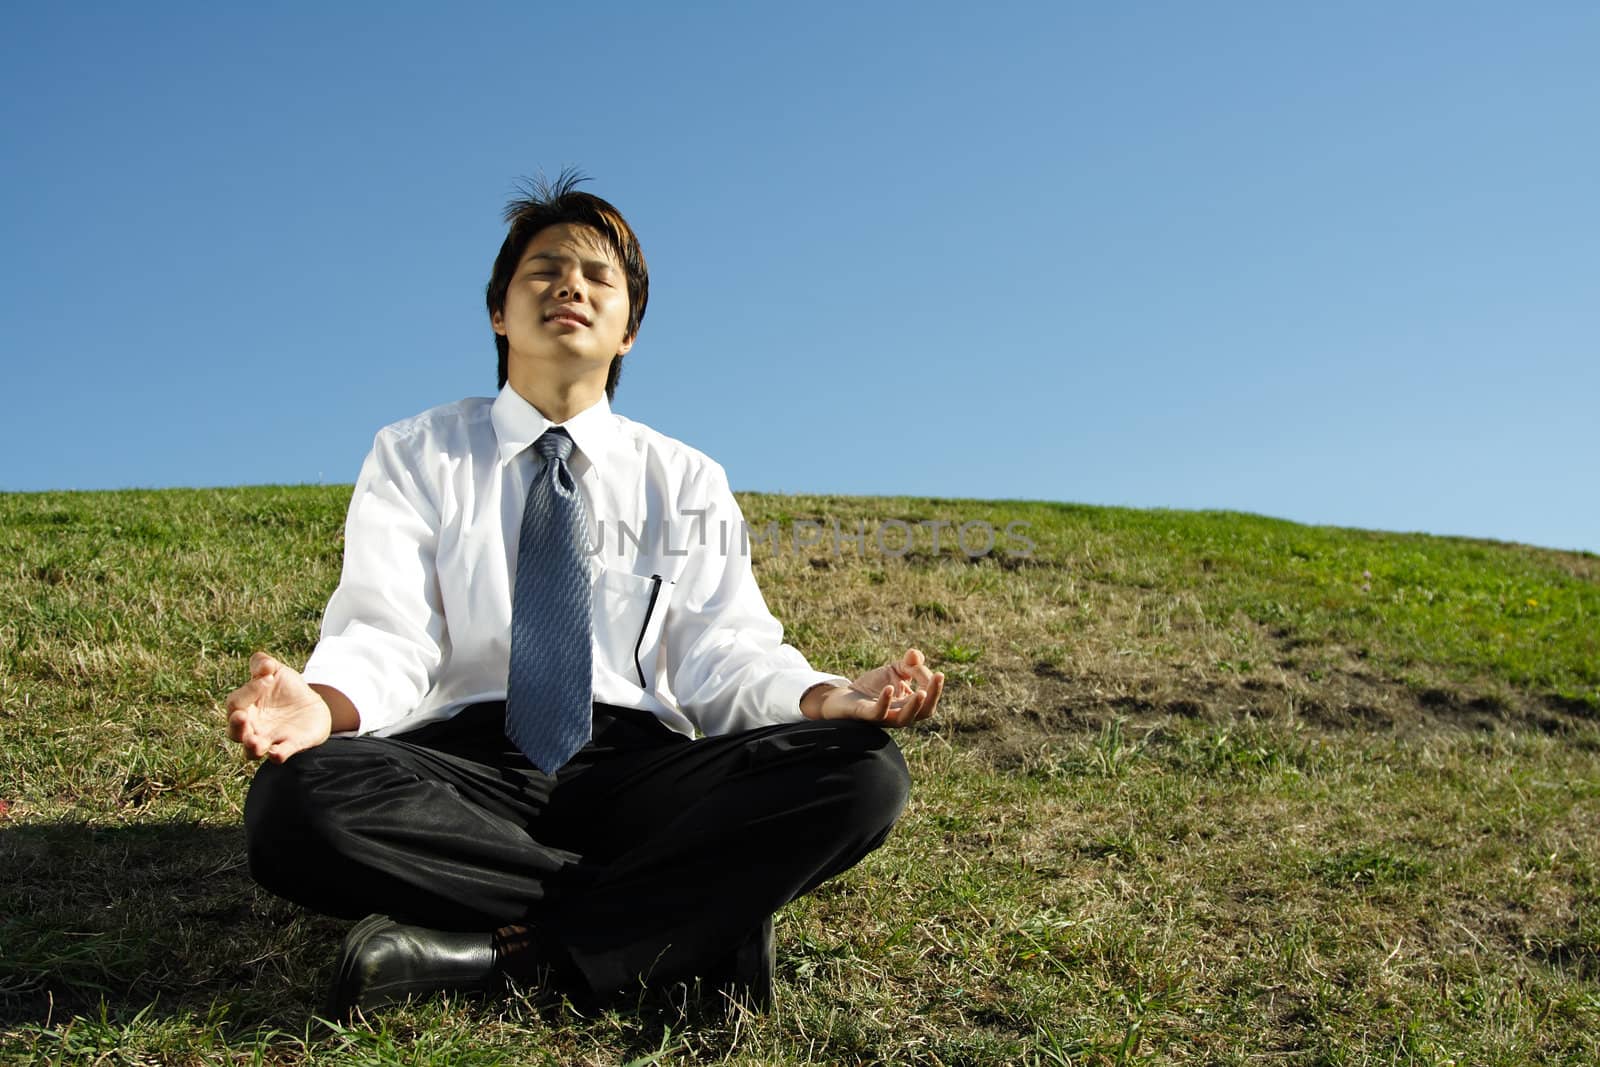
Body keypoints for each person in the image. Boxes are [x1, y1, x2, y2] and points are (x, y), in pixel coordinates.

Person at [224, 172, 943, 1020]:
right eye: (544, 270)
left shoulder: (683, 477)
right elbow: (391, 632)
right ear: (499, 312)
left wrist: (827, 698)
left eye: (600, 276)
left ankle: (502, 953)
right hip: (464, 771)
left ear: (628, 330)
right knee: (294, 805)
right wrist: (326, 705)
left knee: (862, 777)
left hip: (638, 772)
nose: (571, 285)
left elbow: (722, 650)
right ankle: (687, 929)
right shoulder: (417, 452)